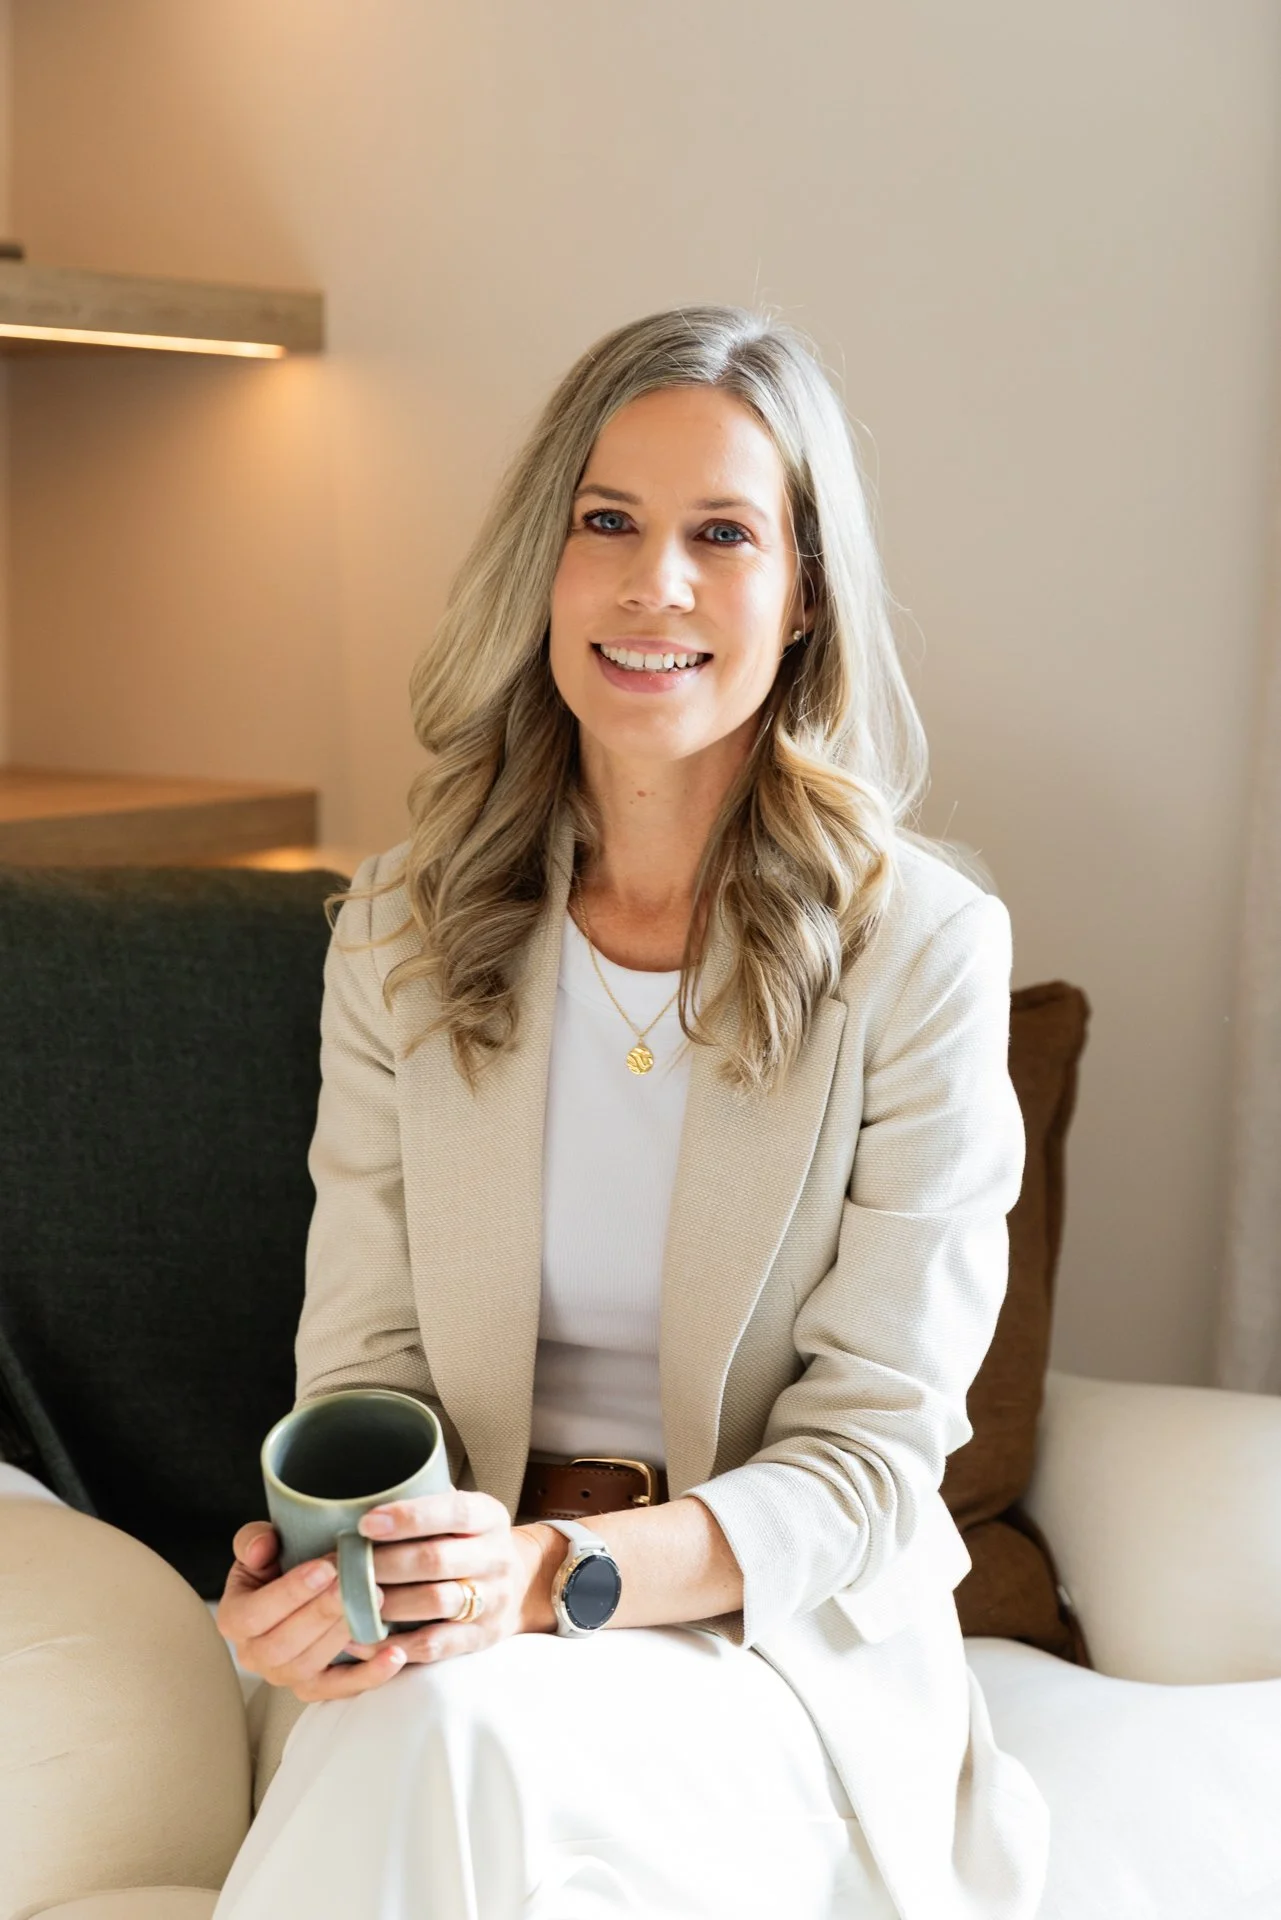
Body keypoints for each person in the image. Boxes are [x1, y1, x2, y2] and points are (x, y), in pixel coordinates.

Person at [212, 304, 1050, 1920]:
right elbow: (368, 1371)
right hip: (454, 1640)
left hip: (768, 1652)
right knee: (435, 1730)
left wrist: (548, 1578)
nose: (654, 584)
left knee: (445, 1746)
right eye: (607, 522)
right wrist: (348, 1574)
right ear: (547, 561)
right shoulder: (400, 931)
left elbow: (875, 1459)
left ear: (803, 595)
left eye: (722, 535)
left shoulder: (925, 955)